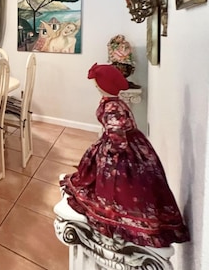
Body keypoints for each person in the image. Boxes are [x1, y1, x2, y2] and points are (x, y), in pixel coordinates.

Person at [60, 63, 189, 248]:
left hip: (121, 148)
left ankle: (118, 217)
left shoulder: (112, 107)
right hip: (133, 144)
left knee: (116, 182)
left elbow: (117, 134)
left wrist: (110, 151)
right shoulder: (117, 103)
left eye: (97, 83)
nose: (95, 86)